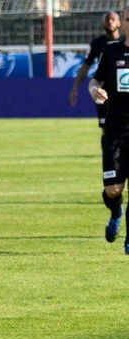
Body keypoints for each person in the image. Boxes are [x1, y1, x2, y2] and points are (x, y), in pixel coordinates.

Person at [89, 7, 129, 254]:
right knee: (113, 190)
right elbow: (95, 80)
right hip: (115, 132)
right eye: (128, 18)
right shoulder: (112, 52)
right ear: (122, 23)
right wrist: (94, 91)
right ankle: (116, 211)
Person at [69, 11, 122, 132]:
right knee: (106, 127)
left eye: (113, 19)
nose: (110, 22)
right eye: (107, 20)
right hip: (102, 90)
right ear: (103, 23)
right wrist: (75, 87)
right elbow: (86, 65)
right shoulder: (98, 44)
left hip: (122, 89)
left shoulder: (125, 42)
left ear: (119, 23)